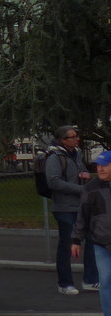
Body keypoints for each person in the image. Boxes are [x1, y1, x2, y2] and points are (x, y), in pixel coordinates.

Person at [46, 125, 99, 294]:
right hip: (64, 207)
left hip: (80, 206)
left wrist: (85, 176)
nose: (77, 139)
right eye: (73, 137)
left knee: (91, 239)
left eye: (77, 135)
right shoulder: (54, 157)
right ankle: (65, 284)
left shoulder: (76, 154)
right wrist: (79, 189)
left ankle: (90, 279)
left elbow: (81, 171)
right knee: (68, 244)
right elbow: (53, 182)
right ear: (63, 140)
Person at [72, 149, 111, 316]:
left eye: (105, 165)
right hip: (100, 242)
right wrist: (76, 239)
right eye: (98, 165)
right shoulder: (91, 187)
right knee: (106, 281)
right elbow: (83, 214)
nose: (101, 169)